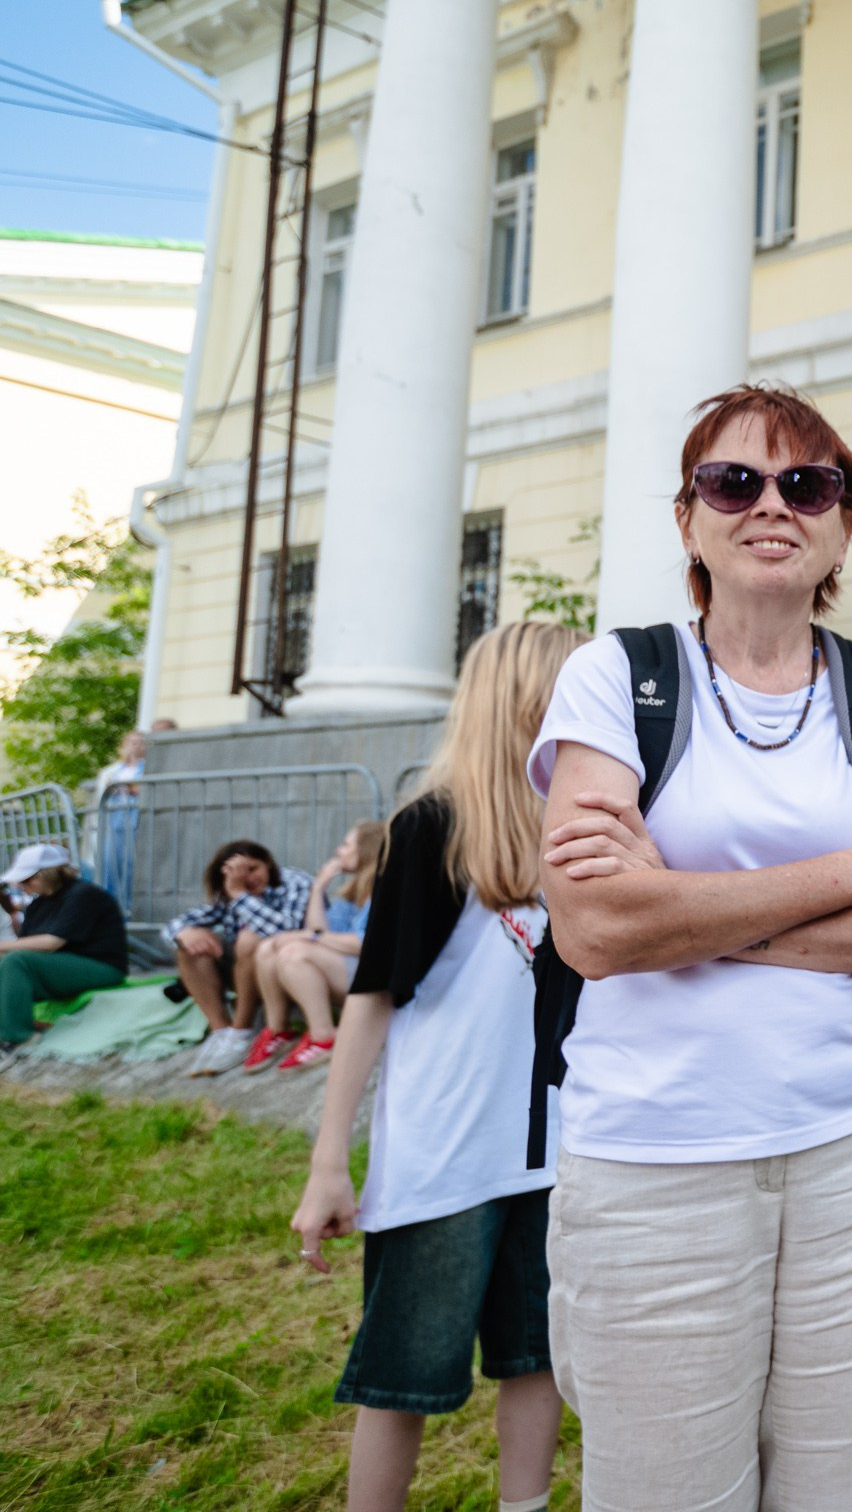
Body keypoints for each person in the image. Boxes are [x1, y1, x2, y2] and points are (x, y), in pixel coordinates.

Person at [533, 382, 852, 1511]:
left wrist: (690, 913)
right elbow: (593, 928)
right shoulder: (616, 676)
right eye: (734, 480)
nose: (770, 503)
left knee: (843, 1484)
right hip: (657, 1154)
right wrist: (851, 873)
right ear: (688, 517)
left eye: (807, 483)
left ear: (839, 524)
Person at [290, 622, 580, 1512]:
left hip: (558, 1153)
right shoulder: (432, 827)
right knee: (403, 1371)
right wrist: (330, 1160)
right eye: (573, 687)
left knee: (539, 1356)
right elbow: (372, 997)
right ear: (526, 700)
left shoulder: (586, 824)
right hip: (445, 1157)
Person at [248, 818, 387, 1073]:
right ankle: (278, 1030)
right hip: (350, 971)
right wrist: (318, 887)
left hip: (378, 982)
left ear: (366, 850)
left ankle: (324, 1035)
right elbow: (320, 930)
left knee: (294, 952)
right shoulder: (354, 890)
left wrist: (310, 939)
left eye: (346, 845)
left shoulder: (385, 887)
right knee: (268, 949)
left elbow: (367, 944)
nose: (339, 851)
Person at [169, 840, 316, 1075]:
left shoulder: (295, 882)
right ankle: (223, 1033)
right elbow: (178, 924)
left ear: (267, 863)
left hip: (289, 969)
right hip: (245, 970)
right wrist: (185, 932)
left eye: (252, 869)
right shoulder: (230, 890)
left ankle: (242, 1030)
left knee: (249, 937)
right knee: (190, 948)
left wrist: (239, 894)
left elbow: (286, 928)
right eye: (238, 874)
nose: (247, 878)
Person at [1, 844, 127, 1050]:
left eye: (27, 879)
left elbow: (52, 943)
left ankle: (17, 1038)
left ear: (48, 874)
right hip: (61, 968)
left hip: (102, 967)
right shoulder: (38, 905)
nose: (22, 885)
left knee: (16, 961)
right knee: (9, 961)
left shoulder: (83, 894)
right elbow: (24, 947)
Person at [93, 729, 149, 908]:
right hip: (114, 822)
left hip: (136, 821)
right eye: (132, 741)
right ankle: (111, 907)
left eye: (141, 741)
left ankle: (129, 908)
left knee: (132, 865)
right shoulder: (113, 770)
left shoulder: (148, 768)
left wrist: (130, 789)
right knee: (111, 864)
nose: (136, 745)